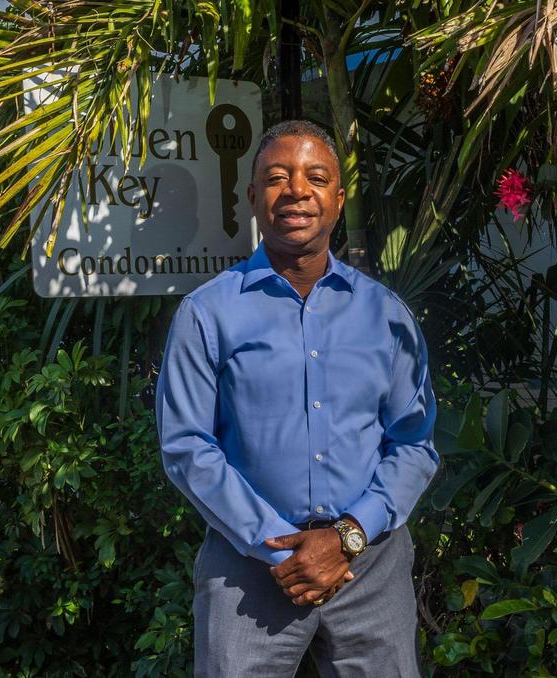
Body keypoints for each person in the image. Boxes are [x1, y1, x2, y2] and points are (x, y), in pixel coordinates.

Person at [155, 119, 439, 677]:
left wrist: (347, 536)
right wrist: (282, 550)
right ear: (252, 196)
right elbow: (188, 446)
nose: (297, 191)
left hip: (370, 567)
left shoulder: (385, 315)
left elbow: (414, 444)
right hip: (248, 569)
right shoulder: (208, 314)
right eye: (277, 177)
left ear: (338, 195)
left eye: (316, 176)